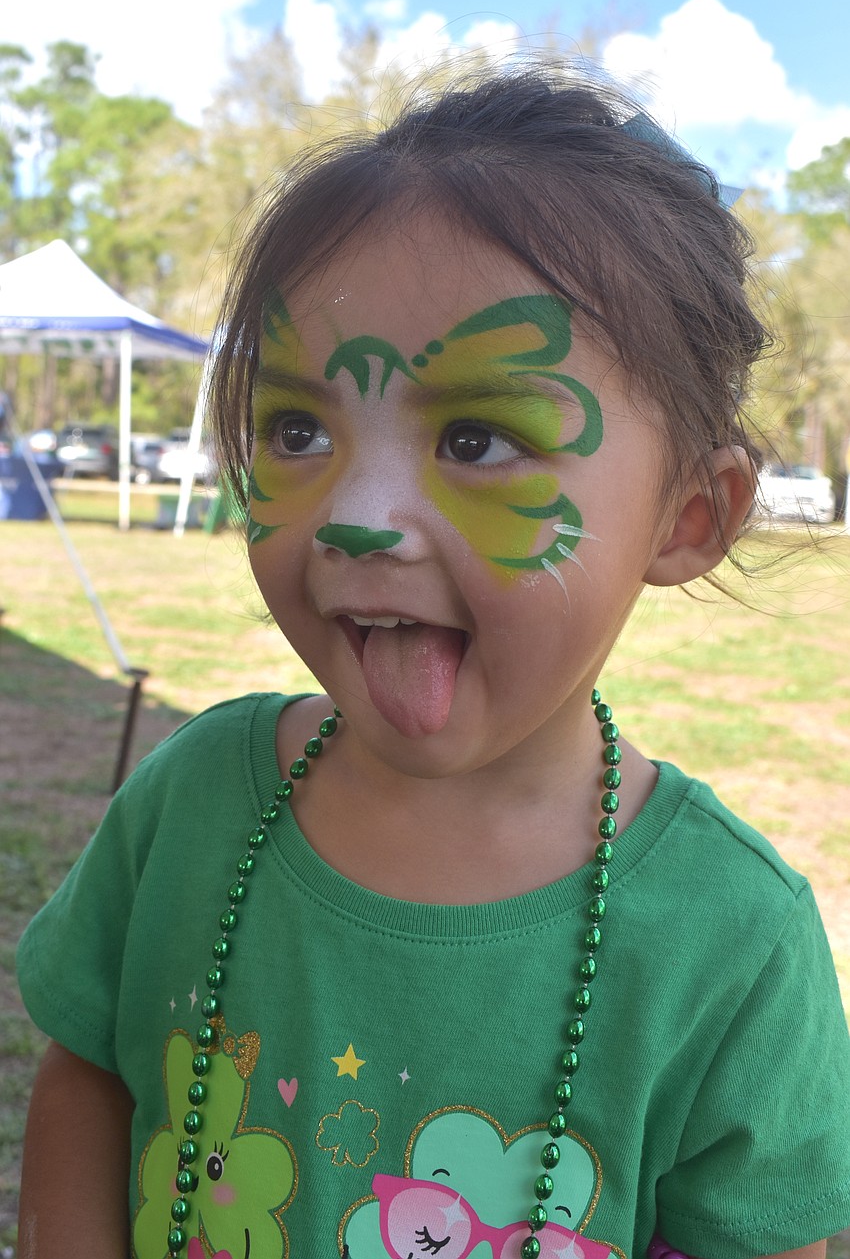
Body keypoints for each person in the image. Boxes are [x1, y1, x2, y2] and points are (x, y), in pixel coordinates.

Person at [17, 66, 850, 1259]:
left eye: (477, 436)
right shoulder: (189, 804)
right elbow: (90, 1075)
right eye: (297, 428)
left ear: (686, 515)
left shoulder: (729, 941)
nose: (357, 516)